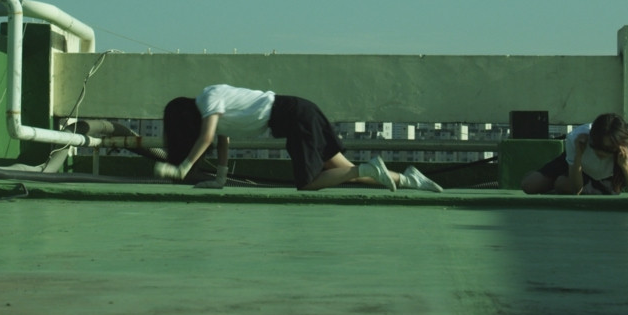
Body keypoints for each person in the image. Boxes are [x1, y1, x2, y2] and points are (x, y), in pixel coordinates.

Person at [154, 84, 443, 192]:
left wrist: (182, 168)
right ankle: (408, 180)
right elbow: (221, 140)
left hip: (294, 117)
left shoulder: (208, 97)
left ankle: (367, 168)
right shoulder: (212, 113)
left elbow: (205, 138)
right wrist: (219, 179)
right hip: (299, 113)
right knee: (342, 172)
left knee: (308, 184)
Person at [520, 113, 628, 195]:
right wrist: (578, 155)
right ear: (592, 138)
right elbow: (576, 190)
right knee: (529, 185)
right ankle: (557, 183)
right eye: (597, 147)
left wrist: (625, 165)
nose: (601, 152)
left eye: (609, 149)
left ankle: (562, 185)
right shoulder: (576, 138)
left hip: (608, 176)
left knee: (562, 184)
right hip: (580, 164)